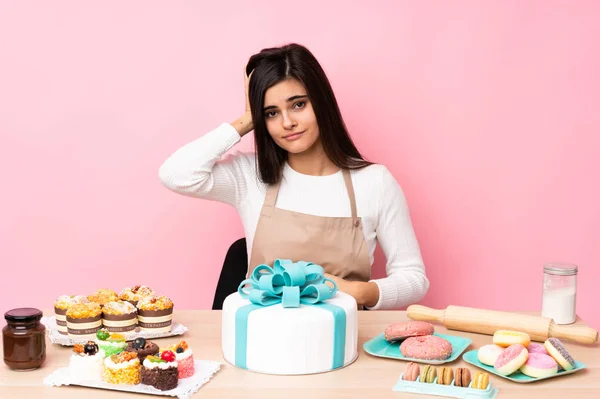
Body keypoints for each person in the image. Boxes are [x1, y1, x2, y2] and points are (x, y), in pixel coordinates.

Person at [158, 43, 429, 309]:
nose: (287, 122)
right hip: (261, 339)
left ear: (321, 102)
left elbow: (413, 278)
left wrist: (355, 291)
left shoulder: (374, 182)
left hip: (341, 340)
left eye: (298, 105)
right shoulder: (251, 177)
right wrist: (247, 118)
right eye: (272, 113)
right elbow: (176, 174)